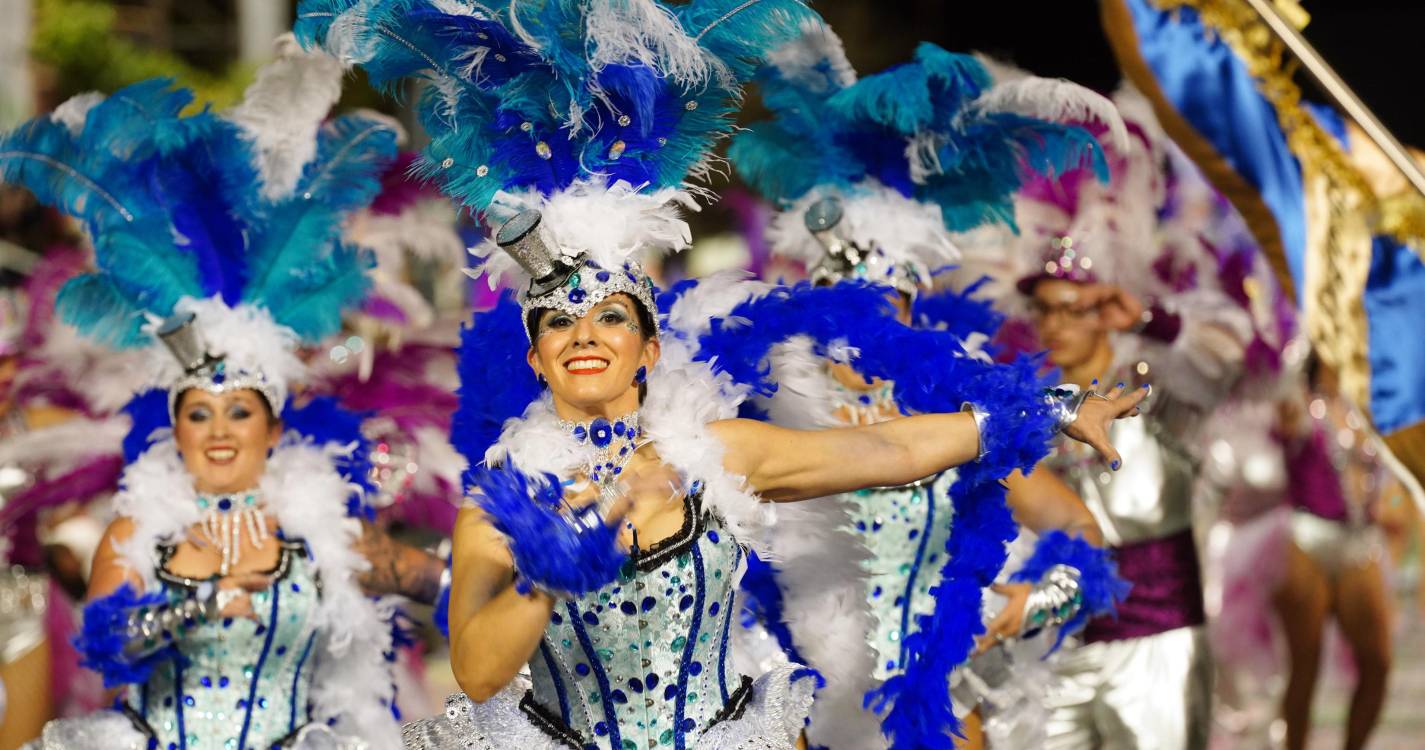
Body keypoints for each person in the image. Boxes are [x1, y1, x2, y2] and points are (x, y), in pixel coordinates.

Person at [296, 2, 1146, 748]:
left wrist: (1046, 407)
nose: (582, 335)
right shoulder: (503, 495)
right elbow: (478, 673)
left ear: (649, 346)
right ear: (533, 353)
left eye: (609, 318)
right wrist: (546, 578)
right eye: (557, 321)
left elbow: (888, 449)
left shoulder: (719, 450)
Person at [2, 37, 443, 749]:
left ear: (273, 429)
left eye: (239, 410)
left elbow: (454, 587)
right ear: (174, 428)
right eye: (199, 412)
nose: (219, 429)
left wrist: (542, 566)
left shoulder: (322, 528)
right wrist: (199, 605)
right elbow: (111, 648)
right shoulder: (136, 532)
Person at [722, 27, 1131, 749]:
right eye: (848, 306)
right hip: (796, 717)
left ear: (915, 308)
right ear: (816, 305)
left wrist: (1032, 600)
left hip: (927, 708)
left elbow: (1076, 529)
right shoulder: (764, 408)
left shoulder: (952, 417)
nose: (870, 327)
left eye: (889, 307)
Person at [968, 89, 1254, 750]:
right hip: (1050, 642)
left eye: (1076, 307)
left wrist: (1150, 319)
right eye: (1046, 310)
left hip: (1157, 645)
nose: (1057, 324)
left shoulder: (1157, 387)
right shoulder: (1025, 399)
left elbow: (1230, 361)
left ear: (1105, 309)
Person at [1274, 356, 1396, 750]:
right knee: (1305, 667)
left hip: (1362, 544)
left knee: (1377, 664)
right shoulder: (1297, 401)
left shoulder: (1375, 402)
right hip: (1308, 540)